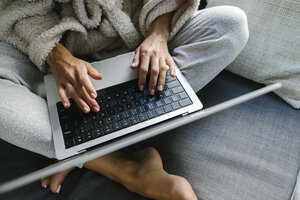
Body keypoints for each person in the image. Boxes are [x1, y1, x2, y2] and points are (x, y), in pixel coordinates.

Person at [0, 0, 249, 199]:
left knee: (230, 24)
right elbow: (20, 9)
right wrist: (56, 57)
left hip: (136, 39)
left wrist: (158, 37)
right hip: (49, 46)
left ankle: (78, 143)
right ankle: (126, 169)